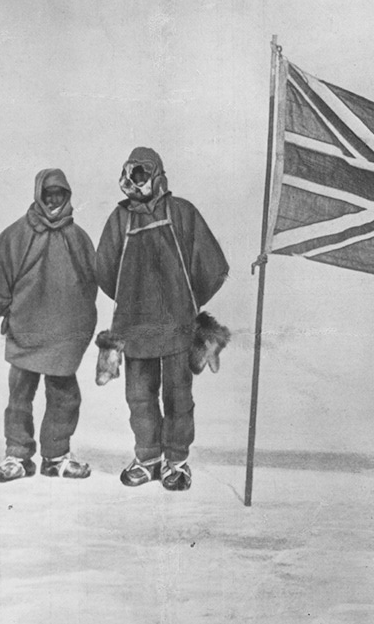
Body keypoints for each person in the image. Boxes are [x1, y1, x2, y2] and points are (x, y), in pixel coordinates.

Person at [96, 147, 228, 491]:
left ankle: (176, 462)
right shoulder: (120, 219)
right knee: (139, 397)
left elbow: (212, 265)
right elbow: (105, 269)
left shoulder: (182, 212)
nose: (138, 180)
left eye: (144, 173)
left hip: (176, 327)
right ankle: (148, 459)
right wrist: (131, 299)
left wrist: (185, 301)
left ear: (157, 175)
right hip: (134, 326)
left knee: (178, 396)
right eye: (133, 173)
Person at [0, 168, 97, 482]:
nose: (53, 199)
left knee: (64, 396)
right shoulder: (17, 234)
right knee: (20, 397)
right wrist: (6, 310)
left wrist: (78, 320)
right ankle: (17, 455)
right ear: (39, 194)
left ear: (67, 196)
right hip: (26, 332)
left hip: (63, 336)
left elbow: (91, 281)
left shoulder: (77, 237)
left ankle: (56, 455)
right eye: (48, 194)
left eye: (59, 194)